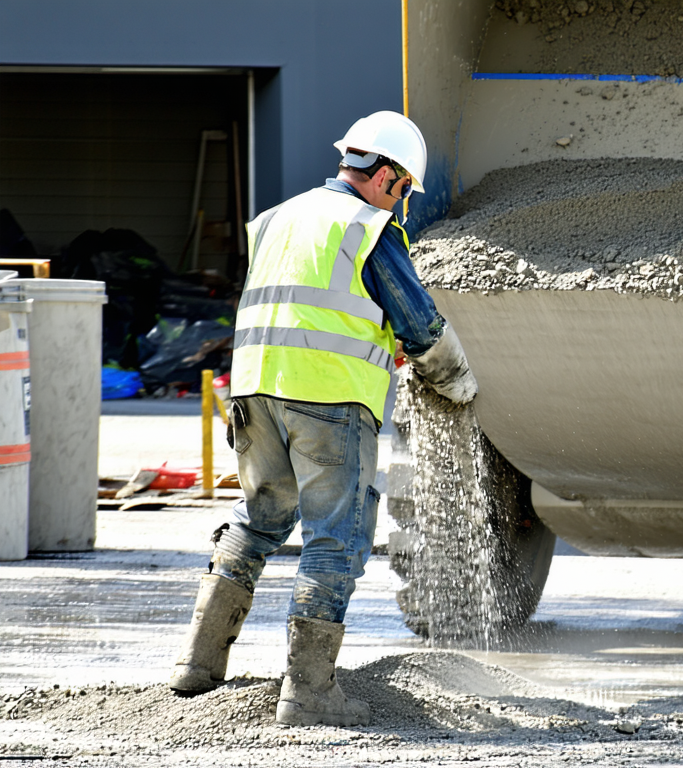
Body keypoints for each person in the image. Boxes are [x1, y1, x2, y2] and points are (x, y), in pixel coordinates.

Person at [167, 111, 476, 726]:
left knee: (258, 520)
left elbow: (303, 302)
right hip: (328, 398)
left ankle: (197, 668)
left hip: (254, 392)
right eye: (406, 187)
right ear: (386, 175)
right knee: (337, 537)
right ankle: (309, 693)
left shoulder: (275, 218)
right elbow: (417, 323)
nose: (404, 200)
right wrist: (458, 382)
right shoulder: (369, 226)